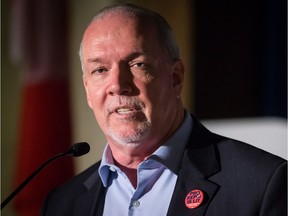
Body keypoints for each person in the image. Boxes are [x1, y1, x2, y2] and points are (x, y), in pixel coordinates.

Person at [41, 3, 287, 216]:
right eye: (100, 70)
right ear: (87, 91)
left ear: (176, 78)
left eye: (138, 64)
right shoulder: (63, 204)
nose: (117, 85)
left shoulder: (262, 184)